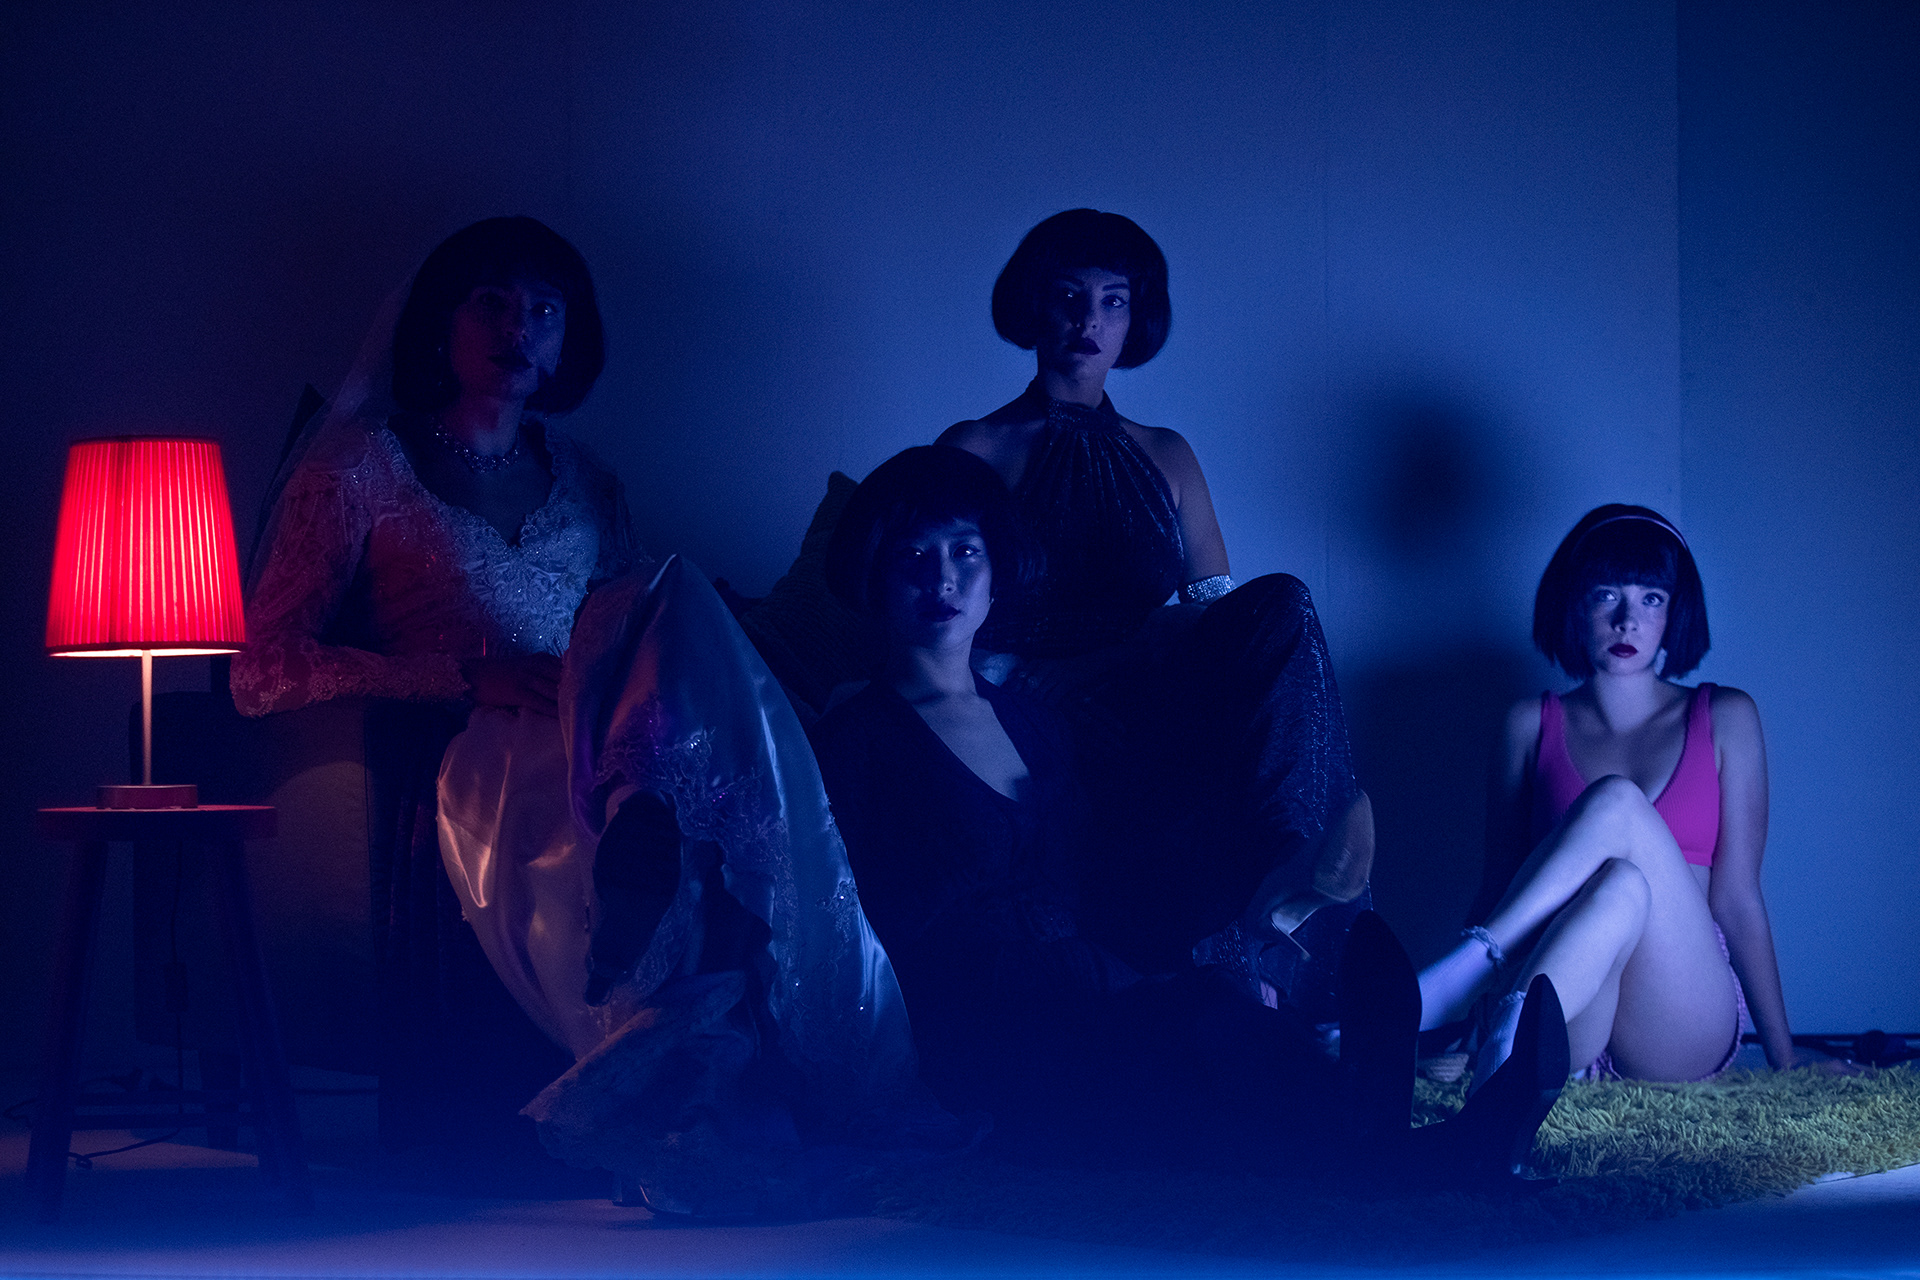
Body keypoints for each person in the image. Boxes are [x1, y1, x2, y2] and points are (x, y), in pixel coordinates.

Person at [236, 218, 946, 1212]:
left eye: (544, 309)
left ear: (569, 339)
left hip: (603, 723)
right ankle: (659, 990)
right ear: (441, 321)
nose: (517, 327)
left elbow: (632, 622)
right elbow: (263, 669)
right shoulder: (358, 471)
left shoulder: (585, 475)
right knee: (653, 673)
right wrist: (463, 676)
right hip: (478, 740)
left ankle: (671, 844)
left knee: (671, 595)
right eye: (492, 302)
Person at [810, 446, 1568, 1181]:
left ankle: (1400, 1119)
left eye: (965, 552)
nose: (942, 578)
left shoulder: (1033, 723)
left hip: (1095, 990)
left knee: (1211, 1020)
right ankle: (1431, 1140)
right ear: (876, 576)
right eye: (914, 556)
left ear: (995, 568)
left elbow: (1100, 878)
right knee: (1191, 1038)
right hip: (989, 1034)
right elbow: (844, 929)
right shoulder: (856, 737)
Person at [936, 209, 1371, 1020]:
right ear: (1035, 304)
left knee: (1283, 601)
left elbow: (1219, 620)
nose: (1088, 321)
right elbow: (934, 607)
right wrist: (1038, 680)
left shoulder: (1167, 454)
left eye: (1113, 301)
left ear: (1135, 318)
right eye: (1069, 296)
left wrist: (1105, 663)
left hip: (1147, 691)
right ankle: (1275, 915)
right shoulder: (976, 449)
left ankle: (1294, 866)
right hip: (1023, 705)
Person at [1418, 505, 1803, 1086]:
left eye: (1651, 598)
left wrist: (1785, 1058)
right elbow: (1500, 880)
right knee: (1619, 884)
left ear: (1675, 612)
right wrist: (1473, 1026)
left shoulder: (1726, 717)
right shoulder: (1529, 725)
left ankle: (1466, 971)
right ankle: (1500, 1041)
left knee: (1619, 803)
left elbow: (1738, 899)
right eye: (1606, 596)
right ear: (1574, 605)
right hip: (1569, 1001)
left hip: (1681, 1012)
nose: (1628, 620)